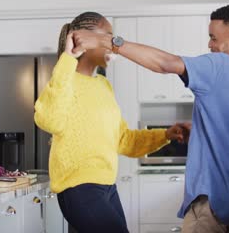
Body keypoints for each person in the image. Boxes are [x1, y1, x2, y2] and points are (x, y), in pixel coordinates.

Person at [69, 5, 229, 233]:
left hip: (211, 201)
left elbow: (165, 63)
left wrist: (110, 41)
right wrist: (200, 133)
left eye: (213, 38)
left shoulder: (221, 65)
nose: (210, 45)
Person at [34, 12, 189, 233]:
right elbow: (48, 119)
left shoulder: (103, 86)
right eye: (107, 37)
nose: (113, 44)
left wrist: (165, 135)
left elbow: (124, 140)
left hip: (106, 186)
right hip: (79, 187)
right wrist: (67, 58)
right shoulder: (65, 80)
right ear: (84, 40)